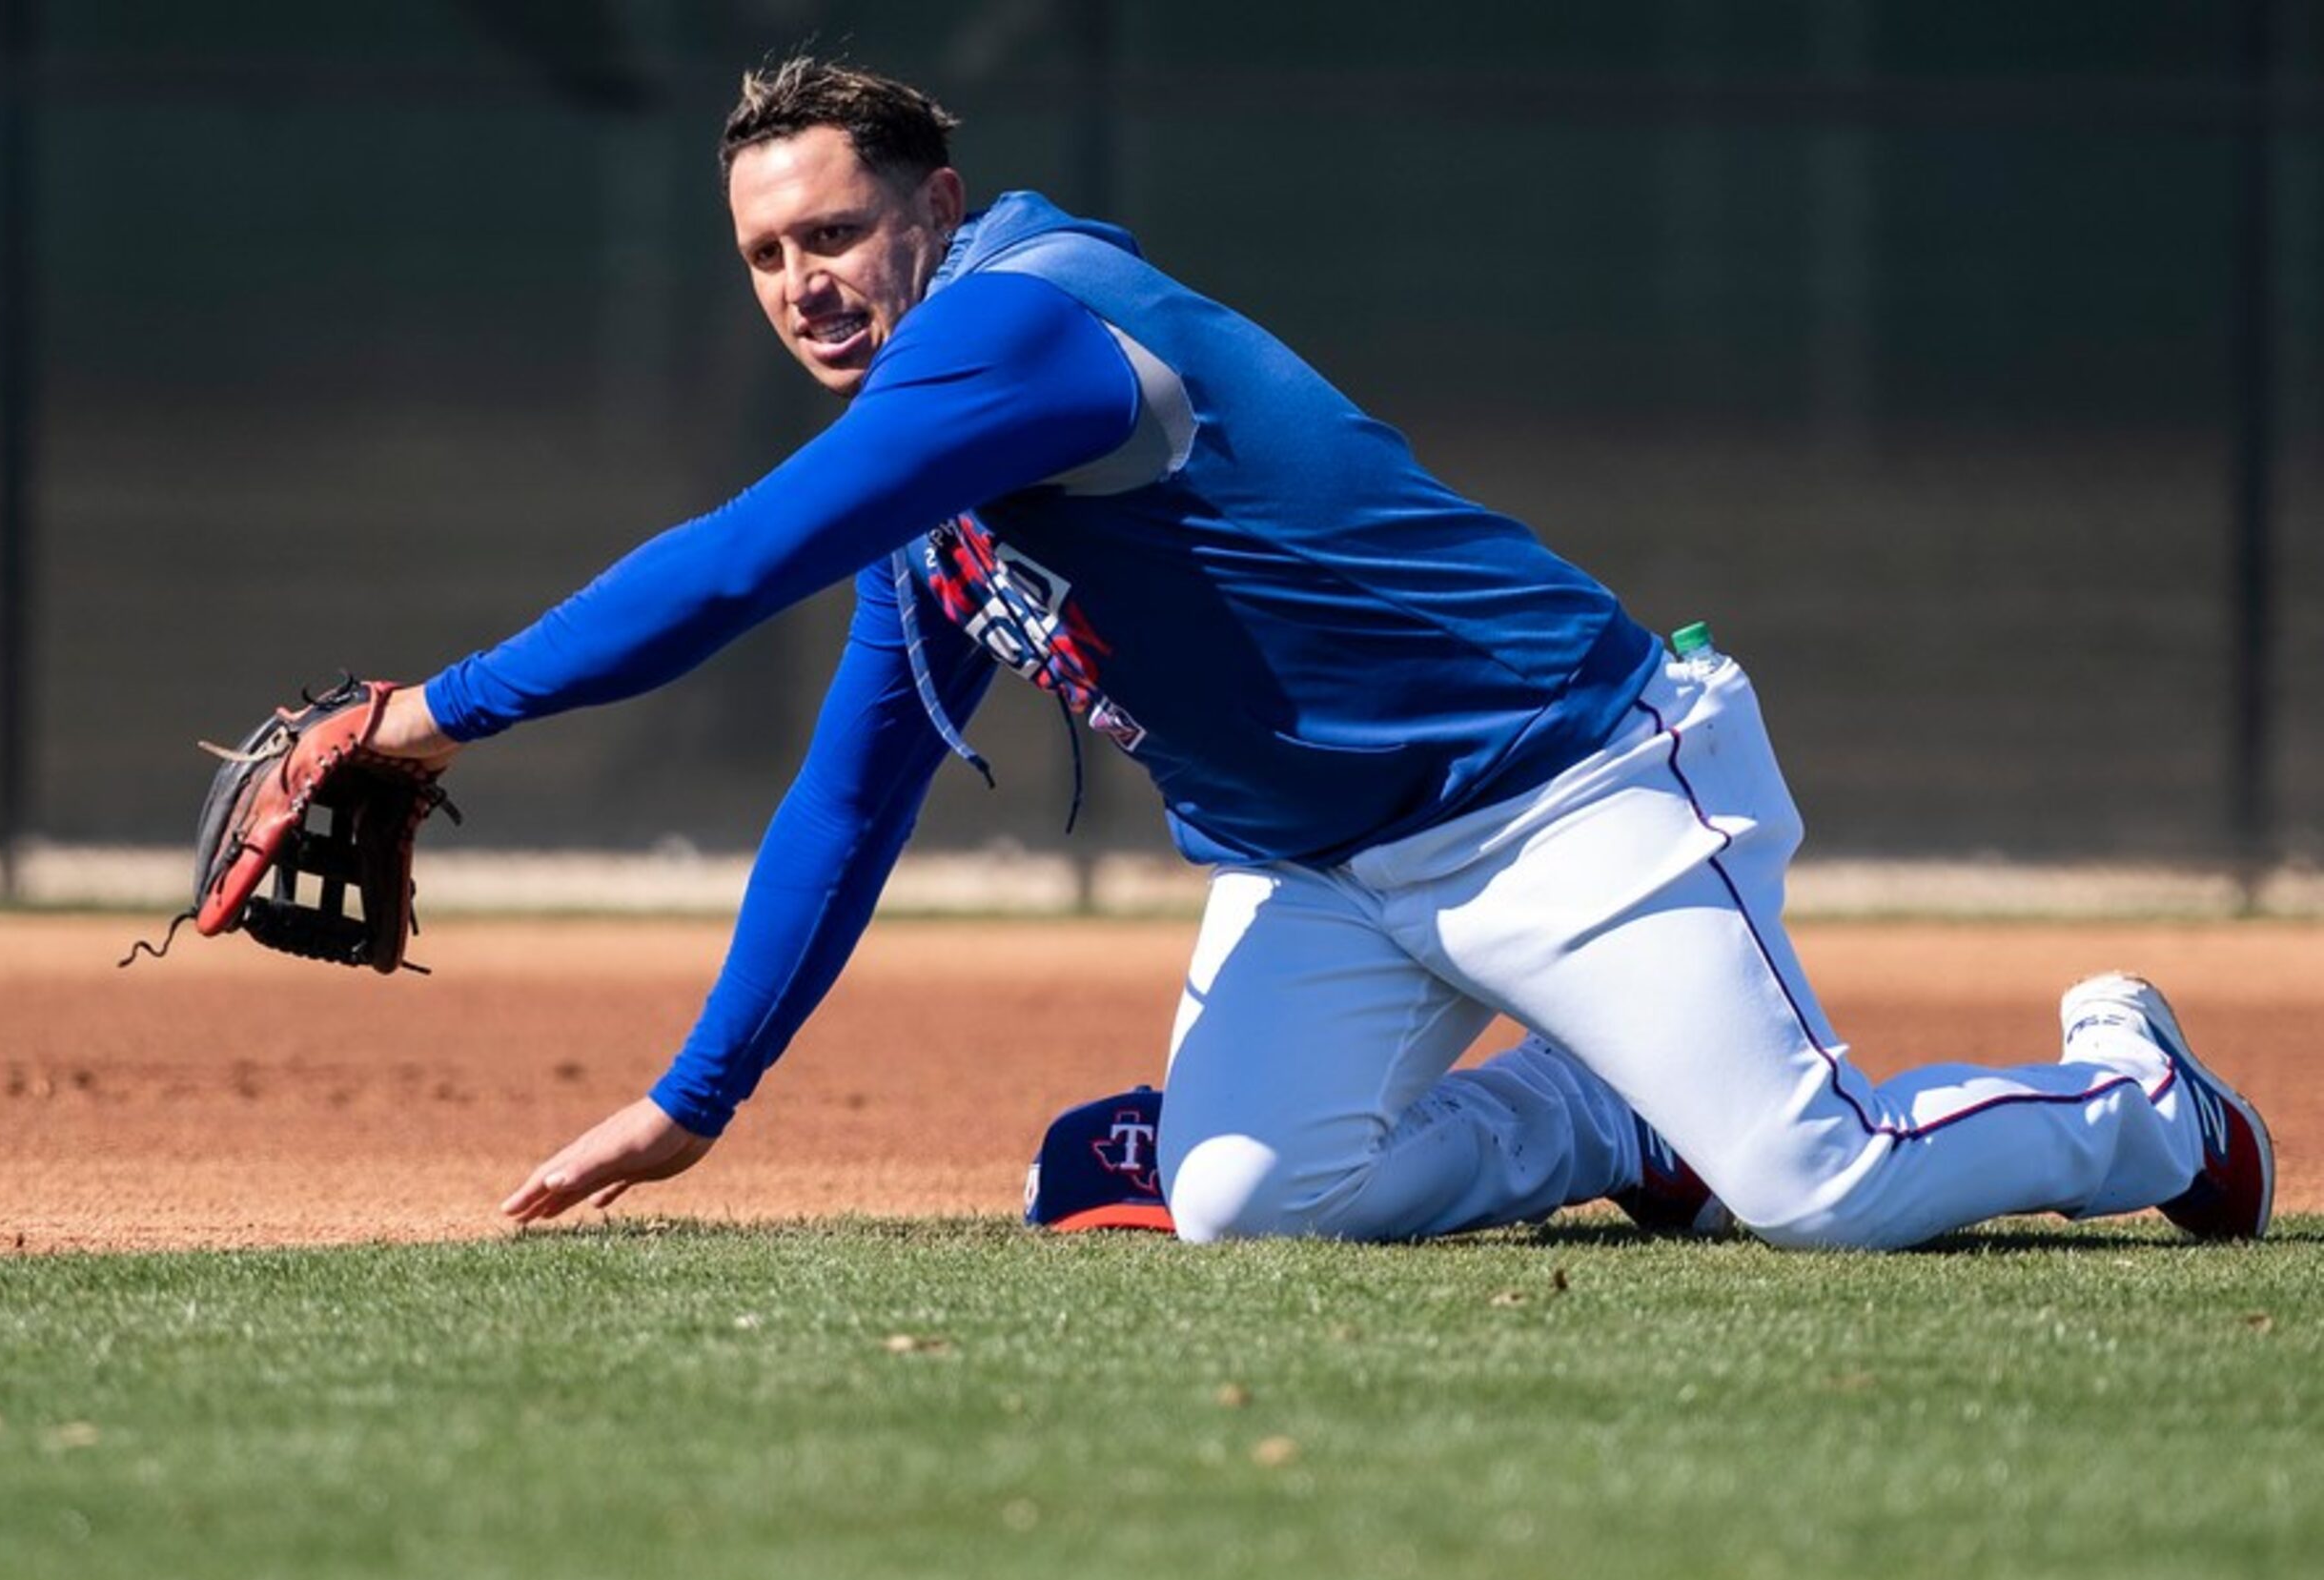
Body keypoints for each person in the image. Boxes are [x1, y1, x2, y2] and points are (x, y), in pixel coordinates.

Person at [368, 57, 2273, 1249]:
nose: (805, 281)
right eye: (768, 256)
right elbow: (851, 786)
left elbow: (728, 565)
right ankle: (1603, 1110)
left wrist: (424, 715)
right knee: (1243, 1206)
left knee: (1823, 1190)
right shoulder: (928, 479)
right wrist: (698, 1100)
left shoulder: (1017, 326)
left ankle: (2139, 1102)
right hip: (1325, 867)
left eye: (838, 230)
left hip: (1566, 784)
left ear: (934, 210)